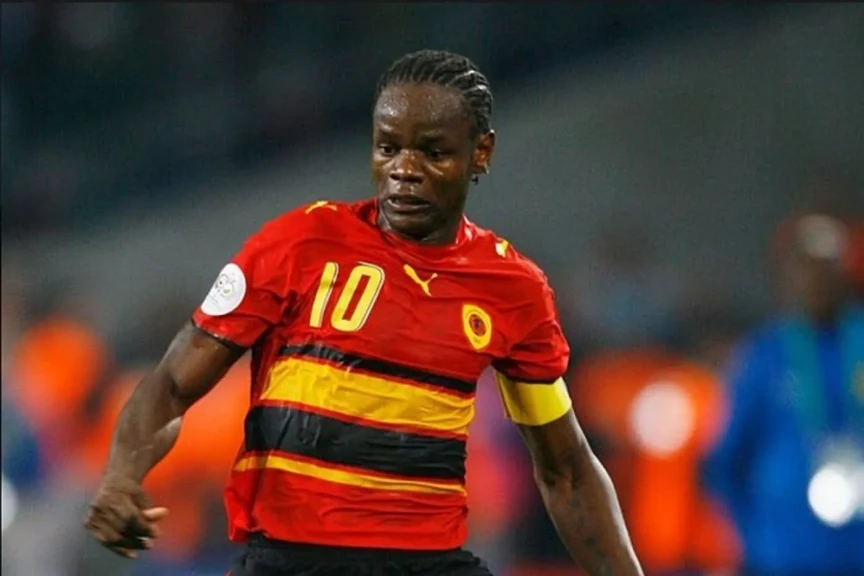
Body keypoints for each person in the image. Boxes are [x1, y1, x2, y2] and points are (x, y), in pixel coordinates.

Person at [83, 50, 643, 576]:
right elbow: (172, 385)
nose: (404, 169)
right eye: (387, 147)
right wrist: (121, 475)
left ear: (481, 153)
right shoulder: (298, 243)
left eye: (432, 151)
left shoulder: (513, 290)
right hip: (292, 561)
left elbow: (566, 470)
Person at [705, 213, 864, 575]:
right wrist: (751, 535)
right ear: (790, 276)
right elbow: (727, 458)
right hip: (784, 552)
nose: (819, 279)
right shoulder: (766, 355)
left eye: (828, 268)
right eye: (808, 267)